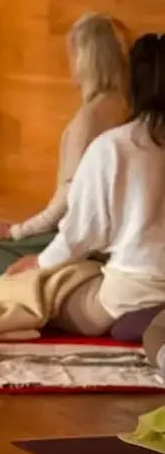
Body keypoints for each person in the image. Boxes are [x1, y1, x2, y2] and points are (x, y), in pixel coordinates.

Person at [0, 13, 130, 298]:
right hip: (106, 241)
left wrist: (16, 231)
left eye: (72, 54)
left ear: (86, 58)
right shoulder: (129, 110)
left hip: (78, 242)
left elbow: (67, 202)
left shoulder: (92, 119)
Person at [23, 32, 165, 335]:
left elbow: (80, 233)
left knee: (42, 294)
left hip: (132, 295)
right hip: (141, 288)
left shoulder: (114, 146)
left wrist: (38, 263)